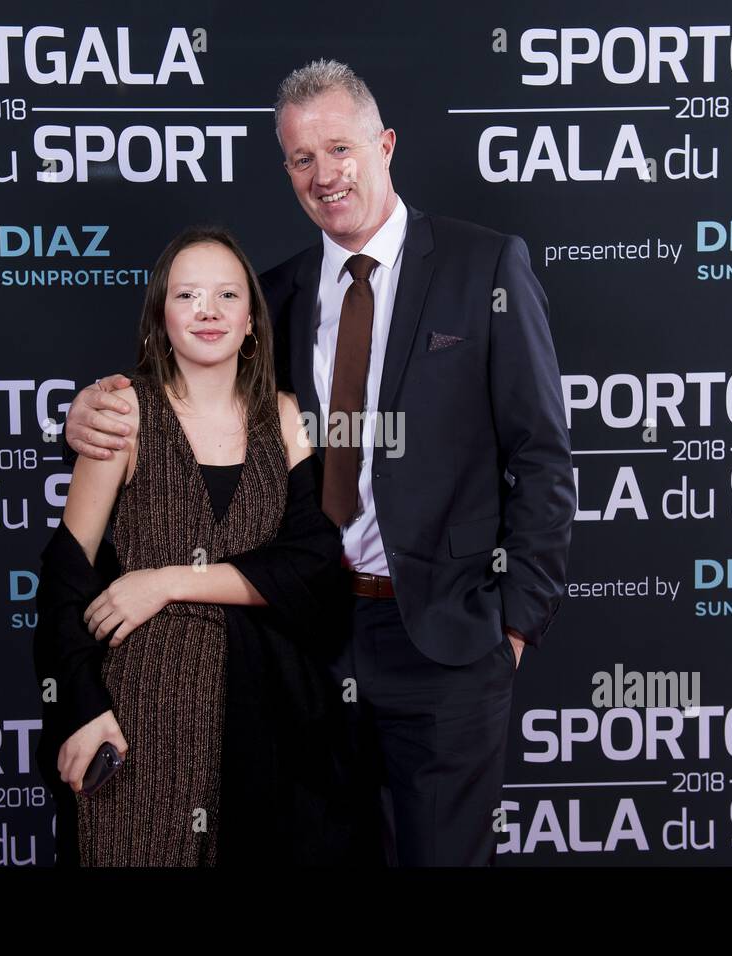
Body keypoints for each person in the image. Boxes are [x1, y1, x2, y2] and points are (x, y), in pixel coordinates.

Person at [63, 59, 575, 866]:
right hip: (305, 643)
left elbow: (541, 453)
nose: (324, 174)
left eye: (340, 149)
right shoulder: (272, 299)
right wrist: (92, 405)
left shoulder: (485, 269)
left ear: (386, 145)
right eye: (302, 158)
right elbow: (183, 403)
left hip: (443, 640)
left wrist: (514, 625)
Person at [33, 224, 351, 866]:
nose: (208, 312)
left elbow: (313, 565)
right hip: (141, 719)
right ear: (159, 318)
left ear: (253, 321)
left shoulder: (287, 418)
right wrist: (81, 709)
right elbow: (64, 575)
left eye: (228, 296)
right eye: (187, 296)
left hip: (268, 722)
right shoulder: (121, 415)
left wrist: (165, 580)